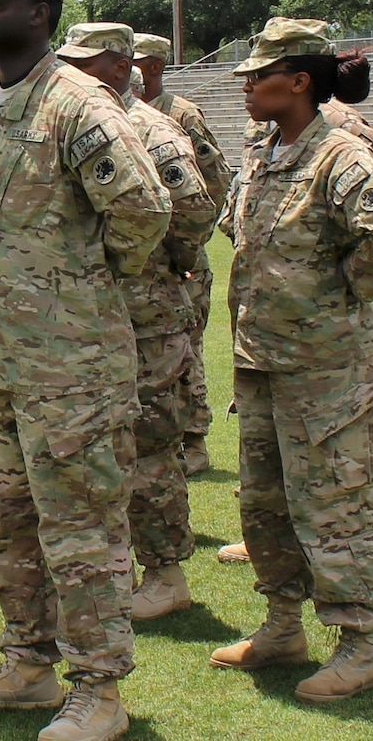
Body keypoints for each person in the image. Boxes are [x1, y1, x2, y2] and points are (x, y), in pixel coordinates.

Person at [0, 0, 169, 741]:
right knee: (8, 525)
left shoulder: (76, 103)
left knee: (82, 530)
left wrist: (82, 294)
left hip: (69, 366)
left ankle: (99, 689)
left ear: (38, 13)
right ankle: (27, 665)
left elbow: (142, 211)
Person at [207, 17, 373, 703]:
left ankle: (357, 647)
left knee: (335, 508)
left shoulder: (338, 156)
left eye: (257, 76)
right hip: (263, 361)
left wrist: (340, 292)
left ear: (298, 83)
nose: (244, 86)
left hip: (329, 368)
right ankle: (281, 626)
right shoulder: (267, 151)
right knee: (266, 505)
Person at [56, 25, 217, 623]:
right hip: (88, 317)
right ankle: (115, 561)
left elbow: (196, 212)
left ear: (123, 67)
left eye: (89, 62)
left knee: (150, 444)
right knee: (99, 448)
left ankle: (165, 571)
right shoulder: (76, 121)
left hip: (146, 314)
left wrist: (148, 265)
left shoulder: (151, 130)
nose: (77, 72)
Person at [133, 32, 233, 474]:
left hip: (179, 256)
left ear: (153, 66)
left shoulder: (179, 115)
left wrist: (188, 245)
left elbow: (213, 179)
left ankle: (193, 441)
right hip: (145, 263)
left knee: (183, 351)